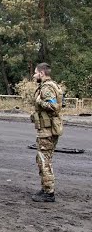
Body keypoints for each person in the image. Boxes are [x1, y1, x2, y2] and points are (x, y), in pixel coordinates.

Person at [30, 62, 64, 202]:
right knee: (43, 159)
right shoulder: (52, 85)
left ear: (42, 73)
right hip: (48, 129)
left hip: (47, 131)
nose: (34, 75)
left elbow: (53, 106)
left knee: (44, 161)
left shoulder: (47, 88)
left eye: (36, 73)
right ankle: (45, 188)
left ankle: (49, 193)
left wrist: (39, 102)